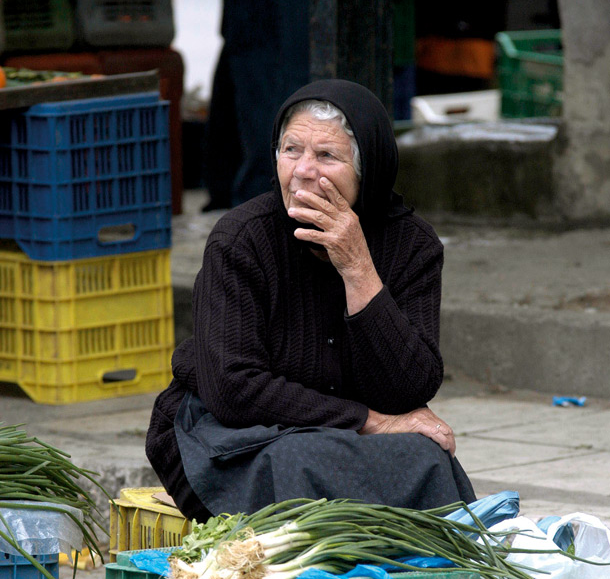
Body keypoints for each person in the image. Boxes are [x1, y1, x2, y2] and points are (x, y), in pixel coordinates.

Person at [146, 78, 475, 521]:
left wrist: (358, 268)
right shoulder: (241, 239)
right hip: (230, 433)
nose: (302, 170)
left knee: (428, 456)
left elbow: (410, 389)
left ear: (368, 169)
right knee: (299, 463)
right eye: (290, 150)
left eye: (326, 156)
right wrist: (370, 421)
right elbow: (233, 390)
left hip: (343, 435)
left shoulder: (412, 246)